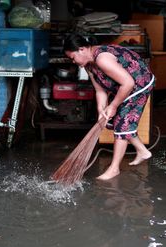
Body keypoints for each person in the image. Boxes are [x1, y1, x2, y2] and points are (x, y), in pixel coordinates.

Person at [63, 34, 155, 180]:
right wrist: (101, 110)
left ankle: (114, 168)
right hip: (124, 85)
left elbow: (129, 83)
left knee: (122, 124)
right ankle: (142, 151)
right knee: (113, 121)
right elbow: (100, 90)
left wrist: (113, 106)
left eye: (72, 58)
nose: (73, 62)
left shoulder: (102, 59)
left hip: (139, 83)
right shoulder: (89, 66)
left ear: (81, 49)